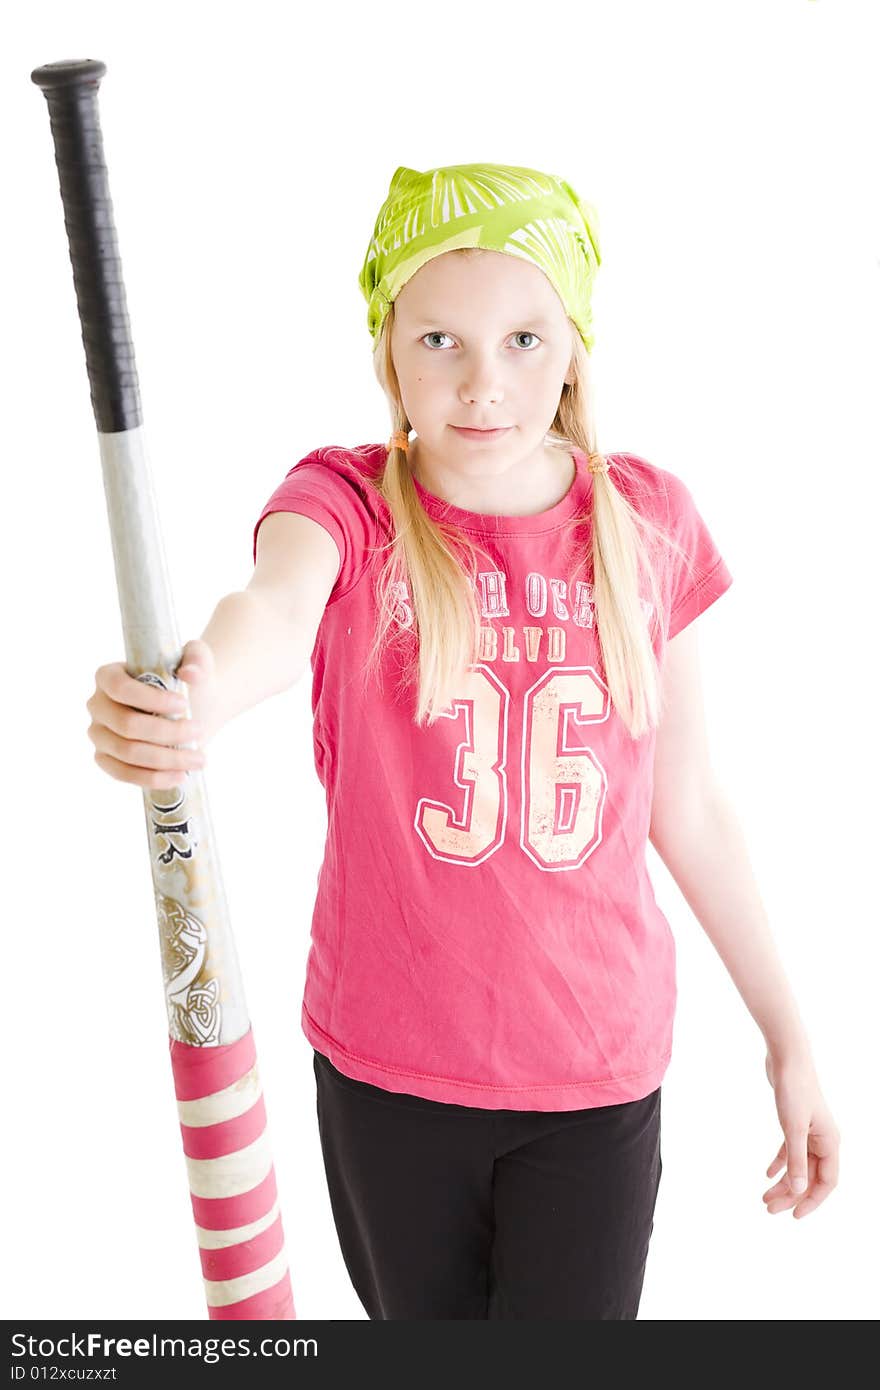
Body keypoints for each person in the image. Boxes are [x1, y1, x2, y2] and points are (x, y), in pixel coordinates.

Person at [85, 162, 840, 1320]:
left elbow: (687, 806)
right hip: (391, 1072)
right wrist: (196, 694)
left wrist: (789, 1034)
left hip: (592, 1074)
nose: (484, 383)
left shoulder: (648, 523)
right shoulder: (347, 503)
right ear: (387, 346)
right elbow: (274, 613)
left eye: (526, 339)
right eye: (439, 339)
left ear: (577, 341)